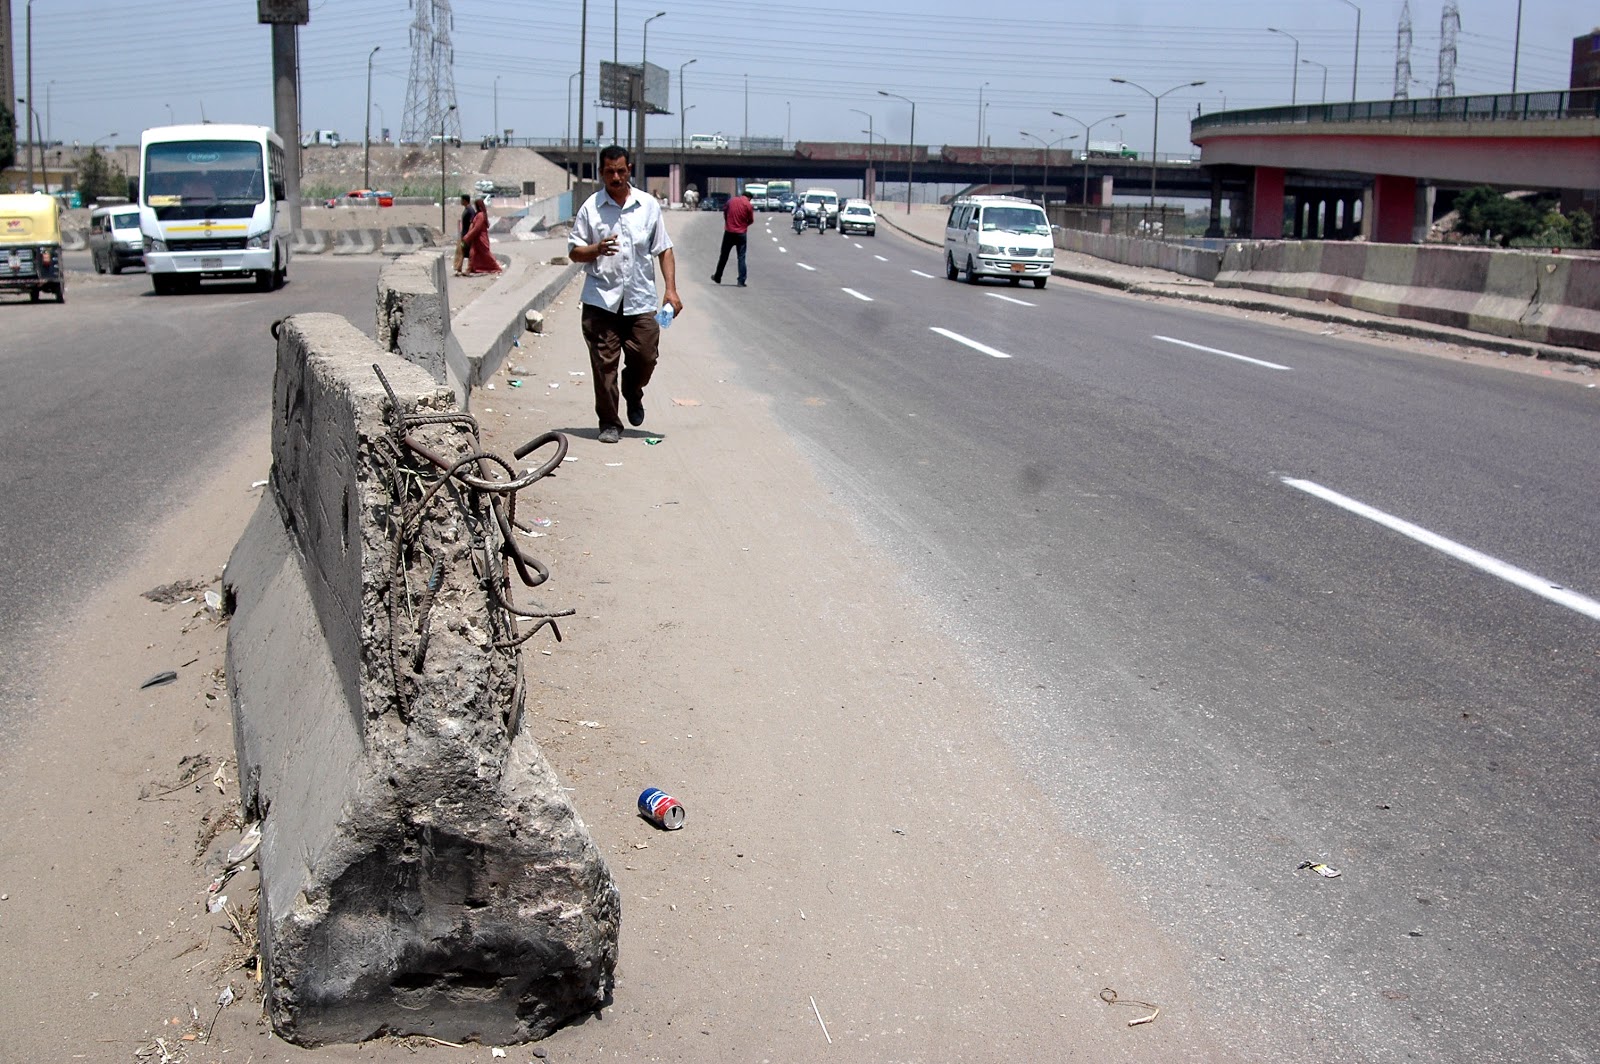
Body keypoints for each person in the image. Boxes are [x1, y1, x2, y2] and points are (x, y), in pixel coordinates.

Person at [568, 145, 683, 444]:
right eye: (609, 172)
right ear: (601, 173)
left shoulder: (647, 206)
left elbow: (664, 248)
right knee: (603, 364)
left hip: (640, 299)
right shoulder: (591, 208)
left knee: (645, 356)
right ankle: (609, 421)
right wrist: (595, 249)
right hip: (600, 300)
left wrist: (670, 289)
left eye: (620, 170)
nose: (616, 177)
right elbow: (574, 251)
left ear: (629, 169)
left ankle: (633, 391)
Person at [710, 185, 754, 287]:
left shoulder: (731, 201)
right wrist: (744, 225)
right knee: (741, 257)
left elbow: (725, 211)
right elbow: (751, 220)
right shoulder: (748, 205)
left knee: (724, 255)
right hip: (741, 233)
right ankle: (741, 281)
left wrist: (728, 222)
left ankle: (717, 276)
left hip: (729, 232)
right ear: (749, 198)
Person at [464, 198, 501, 275]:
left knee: (485, 254)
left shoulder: (480, 215)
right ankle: (471, 269)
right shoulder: (479, 215)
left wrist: (467, 237)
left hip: (481, 238)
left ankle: (496, 267)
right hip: (476, 239)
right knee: (473, 254)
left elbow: (477, 228)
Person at [453, 193, 474, 276]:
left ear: (465, 200)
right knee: (461, 251)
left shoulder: (470, 210)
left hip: (466, 235)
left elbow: (472, 223)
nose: (460, 201)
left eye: (461, 200)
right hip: (464, 234)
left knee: (464, 251)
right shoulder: (466, 209)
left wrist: (468, 235)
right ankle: (459, 268)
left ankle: (464, 269)